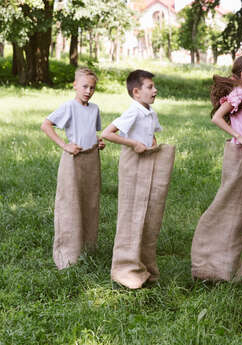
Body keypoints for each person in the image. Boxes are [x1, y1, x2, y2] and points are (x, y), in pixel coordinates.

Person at [191, 56, 242, 282]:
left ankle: (225, 265)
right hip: (240, 154)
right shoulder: (240, 94)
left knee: (239, 209)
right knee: (230, 205)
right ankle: (210, 262)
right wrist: (239, 136)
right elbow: (217, 117)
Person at [102, 69, 175, 289]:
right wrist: (133, 143)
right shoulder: (133, 111)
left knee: (149, 212)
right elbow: (107, 133)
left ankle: (144, 264)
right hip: (133, 163)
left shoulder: (150, 111)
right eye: (150, 87)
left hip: (148, 161)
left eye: (154, 86)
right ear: (136, 92)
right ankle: (125, 267)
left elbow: (151, 134)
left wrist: (152, 142)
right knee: (131, 211)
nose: (155, 90)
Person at [40, 67, 105, 270]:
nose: (88, 91)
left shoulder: (94, 109)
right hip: (73, 160)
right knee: (70, 203)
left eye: (92, 88)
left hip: (91, 160)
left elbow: (90, 132)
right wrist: (65, 145)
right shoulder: (69, 107)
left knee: (90, 202)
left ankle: (87, 248)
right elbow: (46, 125)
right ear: (75, 85)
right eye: (84, 86)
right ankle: (68, 254)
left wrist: (98, 142)